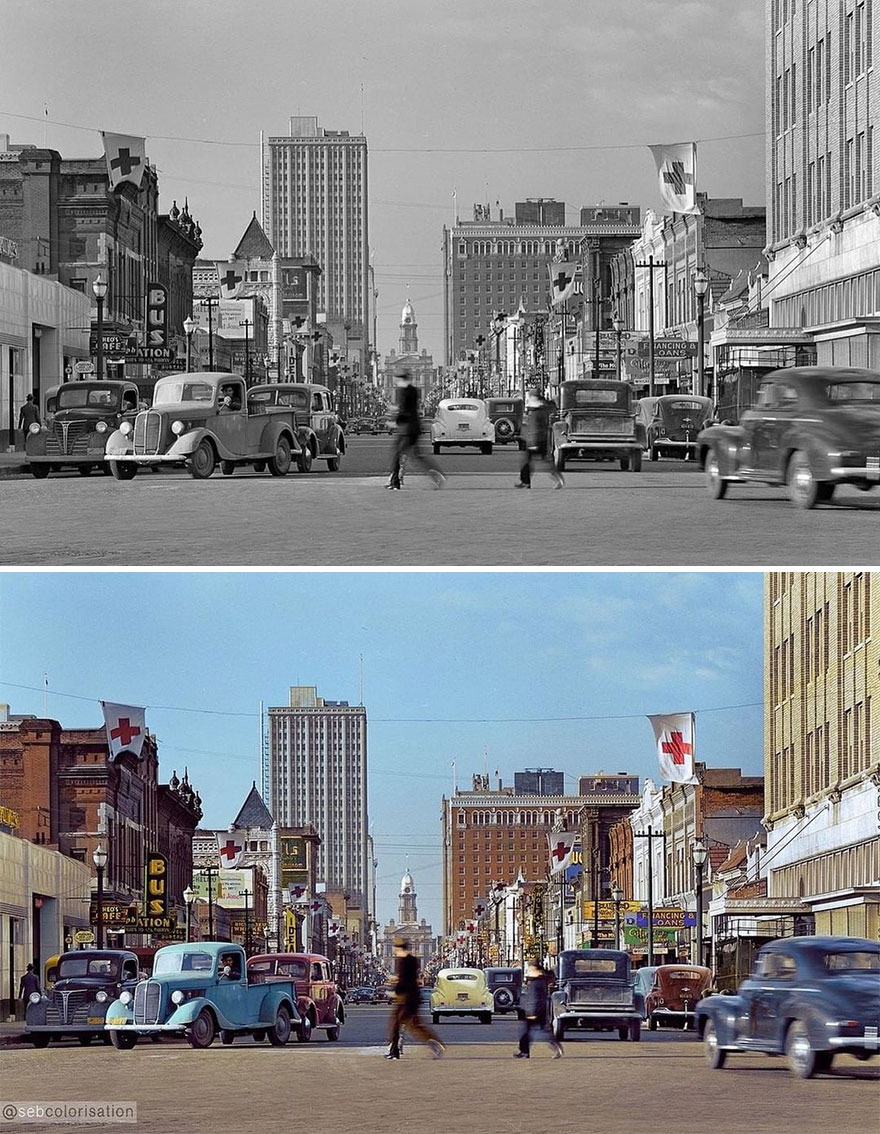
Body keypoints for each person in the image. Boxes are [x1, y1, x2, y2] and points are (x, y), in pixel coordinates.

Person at [385, 937, 443, 1059]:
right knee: (405, 1023)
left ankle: (434, 1044)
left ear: (399, 948)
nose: (394, 950)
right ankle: (394, 1050)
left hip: (407, 998)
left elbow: (404, 979)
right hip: (410, 997)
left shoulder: (404, 961)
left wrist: (395, 989)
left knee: (405, 1024)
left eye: (395, 947)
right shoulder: (411, 960)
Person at [386, 371, 445, 490]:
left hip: (407, 429)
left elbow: (404, 409)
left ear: (402, 380)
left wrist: (394, 421)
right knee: (414, 455)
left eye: (398, 380)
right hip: (412, 428)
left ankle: (395, 482)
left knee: (399, 455)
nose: (396, 382)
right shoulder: (413, 390)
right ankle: (395, 481)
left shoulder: (405, 392)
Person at [514, 959, 562, 1059]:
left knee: (530, 1032)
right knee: (535, 1032)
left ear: (534, 968)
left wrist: (532, 1012)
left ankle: (525, 1052)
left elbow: (536, 998)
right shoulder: (538, 980)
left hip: (536, 1011)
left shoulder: (537, 982)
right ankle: (525, 1051)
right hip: (537, 1010)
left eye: (530, 968)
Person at [515, 388, 563, 489]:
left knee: (544, 462)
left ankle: (558, 479)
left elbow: (537, 427)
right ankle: (526, 482)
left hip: (537, 441)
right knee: (529, 462)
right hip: (533, 440)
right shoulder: (534, 409)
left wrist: (534, 442)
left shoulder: (538, 410)